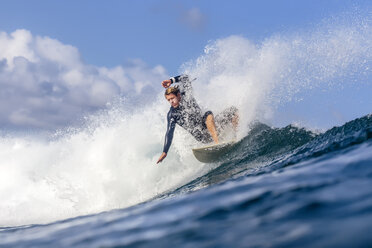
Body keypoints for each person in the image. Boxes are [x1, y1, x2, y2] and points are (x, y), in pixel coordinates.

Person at [156, 75, 238, 164]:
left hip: (209, 126)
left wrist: (171, 80)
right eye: (168, 100)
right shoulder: (172, 114)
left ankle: (235, 137)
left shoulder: (187, 96)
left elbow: (185, 78)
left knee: (233, 111)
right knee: (208, 116)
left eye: (172, 98)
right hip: (202, 135)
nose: (171, 101)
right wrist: (165, 152)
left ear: (178, 95)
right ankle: (217, 144)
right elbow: (169, 133)